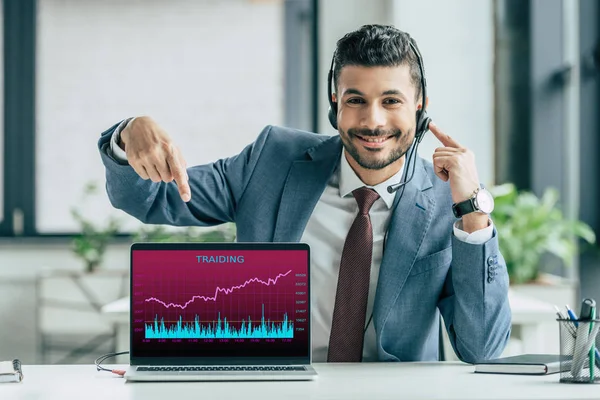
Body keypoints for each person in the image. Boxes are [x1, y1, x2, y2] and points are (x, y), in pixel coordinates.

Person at [98, 24, 511, 363]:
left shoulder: (447, 202)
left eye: (391, 101)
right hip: (276, 386)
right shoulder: (273, 159)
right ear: (335, 104)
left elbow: (483, 348)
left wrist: (472, 210)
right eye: (356, 100)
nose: (373, 121)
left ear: (420, 107)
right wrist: (127, 134)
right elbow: (148, 197)